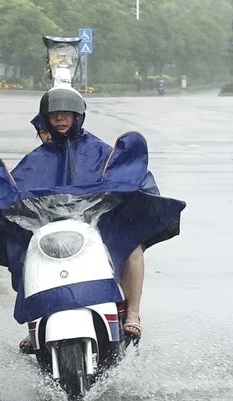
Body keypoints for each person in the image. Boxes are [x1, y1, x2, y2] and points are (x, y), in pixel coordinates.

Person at [13, 87, 147, 349]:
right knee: (22, 252)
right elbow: (16, 186)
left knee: (134, 248)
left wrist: (126, 194)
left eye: (66, 114)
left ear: (78, 117)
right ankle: (36, 321)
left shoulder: (99, 151)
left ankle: (132, 311)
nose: (60, 119)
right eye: (55, 115)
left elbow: (126, 174)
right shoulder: (37, 158)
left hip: (98, 224)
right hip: (50, 227)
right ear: (46, 118)